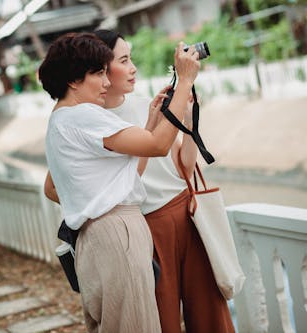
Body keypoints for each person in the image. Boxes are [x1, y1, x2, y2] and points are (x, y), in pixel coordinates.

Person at [39, 32, 200, 332]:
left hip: (94, 238)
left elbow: (124, 176)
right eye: (98, 73)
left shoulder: (59, 119)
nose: (105, 82)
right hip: (116, 234)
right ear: (74, 80)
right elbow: (157, 146)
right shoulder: (84, 115)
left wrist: (150, 122)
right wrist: (186, 81)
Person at [93, 29, 235, 333]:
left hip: (187, 215)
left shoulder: (149, 102)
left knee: (211, 316)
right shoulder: (93, 123)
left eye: (131, 58)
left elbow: (184, 164)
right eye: (124, 60)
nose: (133, 68)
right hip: (143, 229)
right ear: (101, 70)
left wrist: (187, 123)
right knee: (161, 321)